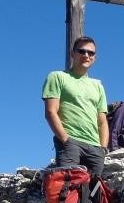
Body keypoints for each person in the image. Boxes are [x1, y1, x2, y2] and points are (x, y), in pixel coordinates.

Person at [42, 36, 109, 176]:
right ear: (72, 54)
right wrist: (66, 140)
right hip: (70, 142)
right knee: (69, 192)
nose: (86, 55)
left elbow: (102, 121)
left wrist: (102, 149)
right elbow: (50, 112)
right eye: (82, 51)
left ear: (95, 58)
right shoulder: (57, 77)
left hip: (95, 148)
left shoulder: (98, 86)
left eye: (91, 53)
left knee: (93, 194)